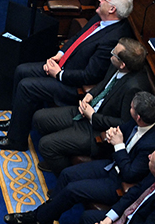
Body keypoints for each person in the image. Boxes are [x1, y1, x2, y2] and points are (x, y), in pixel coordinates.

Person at [0, 0, 134, 151]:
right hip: (64, 65)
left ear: (112, 9)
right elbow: (77, 38)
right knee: (22, 70)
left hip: (73, 84)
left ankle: (16, 141)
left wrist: (59, 74)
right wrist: (61, 53)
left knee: (27, 87)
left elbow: (90, 75)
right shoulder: (100, 17)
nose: (100, 0)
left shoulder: (113, 38)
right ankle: (18, 120)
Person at [5, 92, 155, 224]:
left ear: (139, 118)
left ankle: (37, 217)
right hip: (112, 165)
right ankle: (46, 215)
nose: (129, 110)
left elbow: (130, 174)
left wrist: (119, 145)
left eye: (131, 109)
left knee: (72, 190)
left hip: (118, 183)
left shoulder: (150, 144)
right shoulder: (138, 121)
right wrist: (112, 133)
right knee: (66, 174)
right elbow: (122, 129)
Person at [32, 37, 149, 175]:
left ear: (123, 64)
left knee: (46, 145)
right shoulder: (116, 65)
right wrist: (91, 95)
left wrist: (92, 116)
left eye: (114, 53)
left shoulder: (133, 88)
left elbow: (124, 123)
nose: (111, 53)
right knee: (39, 118)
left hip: (97, 130)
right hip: (86, 111)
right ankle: (59, 158)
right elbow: (105, 83)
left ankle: (66, 177)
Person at [81, 150, 155, 224]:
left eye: (152, 160)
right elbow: (133, 194)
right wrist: (109, 218)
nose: (149, 156)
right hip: (124, 216)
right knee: (87, 217)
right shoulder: (152, 177)